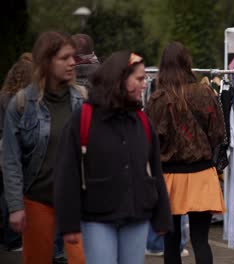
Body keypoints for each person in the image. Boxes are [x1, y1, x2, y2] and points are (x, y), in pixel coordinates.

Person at [54, 50, 173, 264]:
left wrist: (162, 216)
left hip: (136, 217)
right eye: (139, 78)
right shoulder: (84, 117)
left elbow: (155, 170)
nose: (145, 84)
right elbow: (67, 172)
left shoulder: (142, 121)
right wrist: (69, 223)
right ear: (119, 79)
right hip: (97, 217)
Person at [2, 31, 86, 264]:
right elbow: (11, 159)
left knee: (81, 260)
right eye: (64, 57)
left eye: (73, 57)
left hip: (76, 201)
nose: (72, 63)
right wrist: (15, 205)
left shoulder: (82, 100)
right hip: (37, 200)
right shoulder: (21, 103)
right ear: (47, 61)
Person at [145, 41, 226, 264]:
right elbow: (219, 132)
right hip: (201, 174)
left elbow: (149, 139)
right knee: (201, 241)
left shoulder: (157, 100)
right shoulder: (204, 93)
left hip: (169, 177)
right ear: (187, 63)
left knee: (171, 241)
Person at [0, 52, 33, 252]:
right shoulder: (24, 100)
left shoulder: (3, 97)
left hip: (4, 146)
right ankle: (15, 237)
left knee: (6, 191)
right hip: (21, 147)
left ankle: (8, 235)